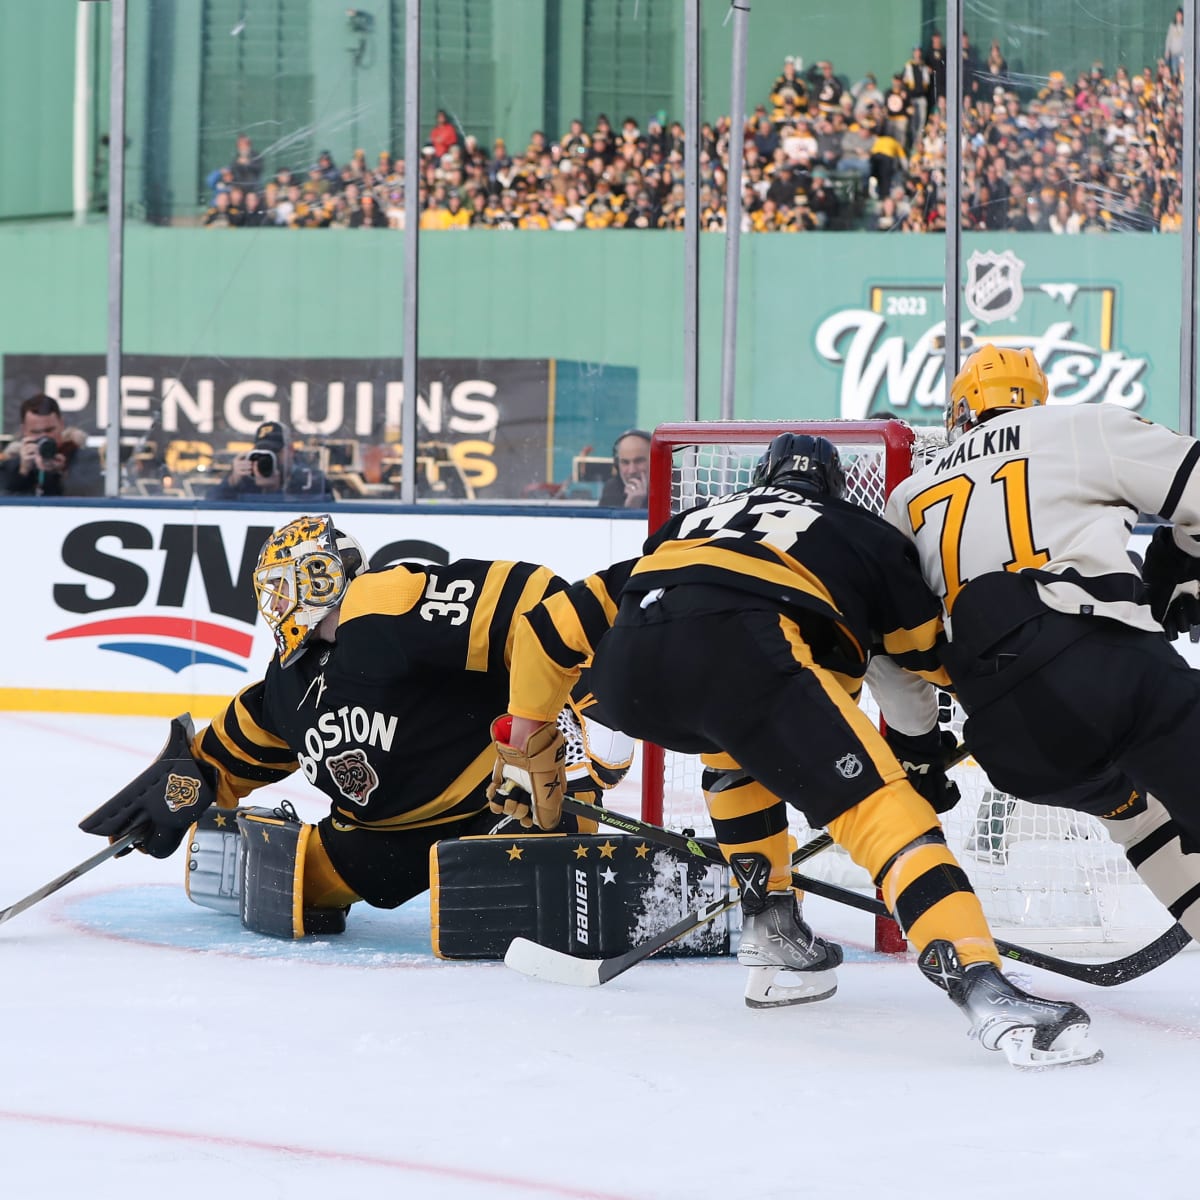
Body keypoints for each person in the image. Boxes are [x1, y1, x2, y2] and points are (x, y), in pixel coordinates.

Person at [489, 434, 1100, 1068]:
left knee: (733, 751)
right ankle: (981, 982)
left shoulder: (692, 525)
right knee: (881, 808)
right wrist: (1001, 708)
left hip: (630, 679)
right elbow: (920, 653)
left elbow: (546, 625)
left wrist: (526, 738)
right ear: (836, 486)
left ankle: (770, 925)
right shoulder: (857, 527)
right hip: (750, 656)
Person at [78, 514, 631, 939]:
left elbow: (533, 603)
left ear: (317, 574)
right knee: (306, 885)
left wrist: (583, 702)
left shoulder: (383, 602)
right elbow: (244, 739)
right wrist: (188, 781)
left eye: (279, 586)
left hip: (496, 799)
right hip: (385, 836)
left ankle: (592, 873)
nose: (273, 605)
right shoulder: (288, 684)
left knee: (548, 832)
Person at [885, 343, 1200, 952]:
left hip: (1014, 737)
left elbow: (893, 652)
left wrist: (916, 747)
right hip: (1111, 668)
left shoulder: (909, 495)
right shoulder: (1082, 427)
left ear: (960, 412)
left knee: (1137, 819)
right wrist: (1179, 564)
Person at [0, 392, 103, 497]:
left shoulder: (85, 458)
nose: (44, 437)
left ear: (61, 424)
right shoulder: (10, 464)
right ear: (24, 430)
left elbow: (92, 495)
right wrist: (22, 472)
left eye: (49, 430)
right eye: (36, 432)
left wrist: (61, 473)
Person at [209, 420, 332, 502]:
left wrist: (274, 491)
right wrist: (231, 481)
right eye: (262, 451)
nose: (269, 457)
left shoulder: (309, 481)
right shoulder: (247, 478)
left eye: (275, 451)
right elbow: (210, 507)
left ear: (291, 450)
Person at [598, 429, 650, 509]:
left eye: (639, 461)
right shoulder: (611, 489)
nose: (632, 470)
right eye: (625, 462)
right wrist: (632, 507)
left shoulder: (675, 486)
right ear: (617, 464)